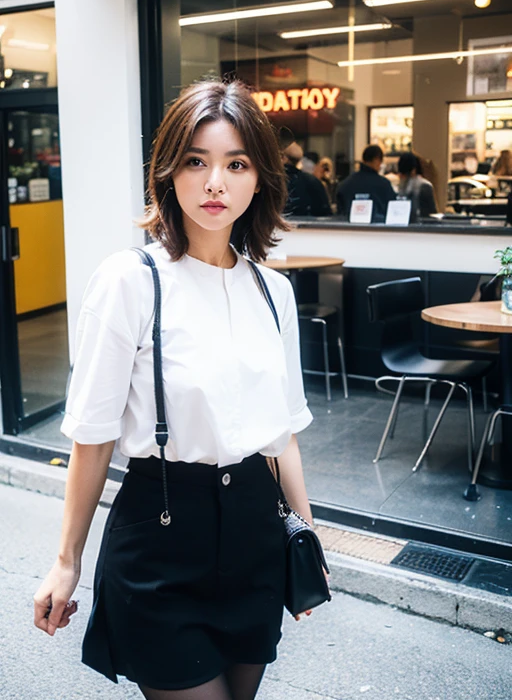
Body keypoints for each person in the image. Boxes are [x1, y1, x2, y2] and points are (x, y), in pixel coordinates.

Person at [33, 80, 322, 700]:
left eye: (236, 163)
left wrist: (306, 538)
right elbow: (93, 437)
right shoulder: (129, 282)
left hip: (253, 535)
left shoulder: (275, 294)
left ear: (258, 180)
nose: (215, 182)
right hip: (161, 533)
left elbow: (283, 437)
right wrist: (67, 561)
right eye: (197, 160)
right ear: (169, 172)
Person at [336, 144, 395, 222]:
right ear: (376, 159)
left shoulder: (345, 184)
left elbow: (340, 212)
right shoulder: (384, 184)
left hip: (349, 230)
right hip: (379, 231)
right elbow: (393, 211)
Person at [283, 141, 332, 216]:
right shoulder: (313, 181)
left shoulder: (271, 181)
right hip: (309, 225)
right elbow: (325, 212)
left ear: (284, 158)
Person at [397, 152, 437, 220]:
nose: (401, 177)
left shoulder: (424, 187)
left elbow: (429, 215)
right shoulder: (402, 187)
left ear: (413, 171)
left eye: (403, 174)